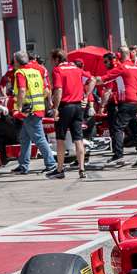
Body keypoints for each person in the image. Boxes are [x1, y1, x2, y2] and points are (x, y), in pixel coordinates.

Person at [47, 50, 96, 179]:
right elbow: (93, 79)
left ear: (57, 59)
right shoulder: (76, 68)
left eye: (52, 59)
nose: (52, 62)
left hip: (65, 106)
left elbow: (58, 89)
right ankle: (82, 169)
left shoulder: (58, 70)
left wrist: (55, 108)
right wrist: (85, 96)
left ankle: (59, 169)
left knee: (60, 138)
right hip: (78, 106)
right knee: (78, 138)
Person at [11, 50, 57, 175]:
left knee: (39, 139)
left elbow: (21, 90)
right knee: (25, 138)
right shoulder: (36, 71)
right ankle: (23, 165)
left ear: (16, 61)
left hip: (28, 110)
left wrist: (19, 108)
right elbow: (46, 90)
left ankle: (51, 164)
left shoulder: (20, 72)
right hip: (37, 108)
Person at [100, 48, 137, 168]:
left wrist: (93, 79)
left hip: (125, 102)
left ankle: (118, 154)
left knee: (117, 127)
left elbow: (105, 79)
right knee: (135, 130)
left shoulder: (121, 67)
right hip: (136, 101)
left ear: (120, 55)